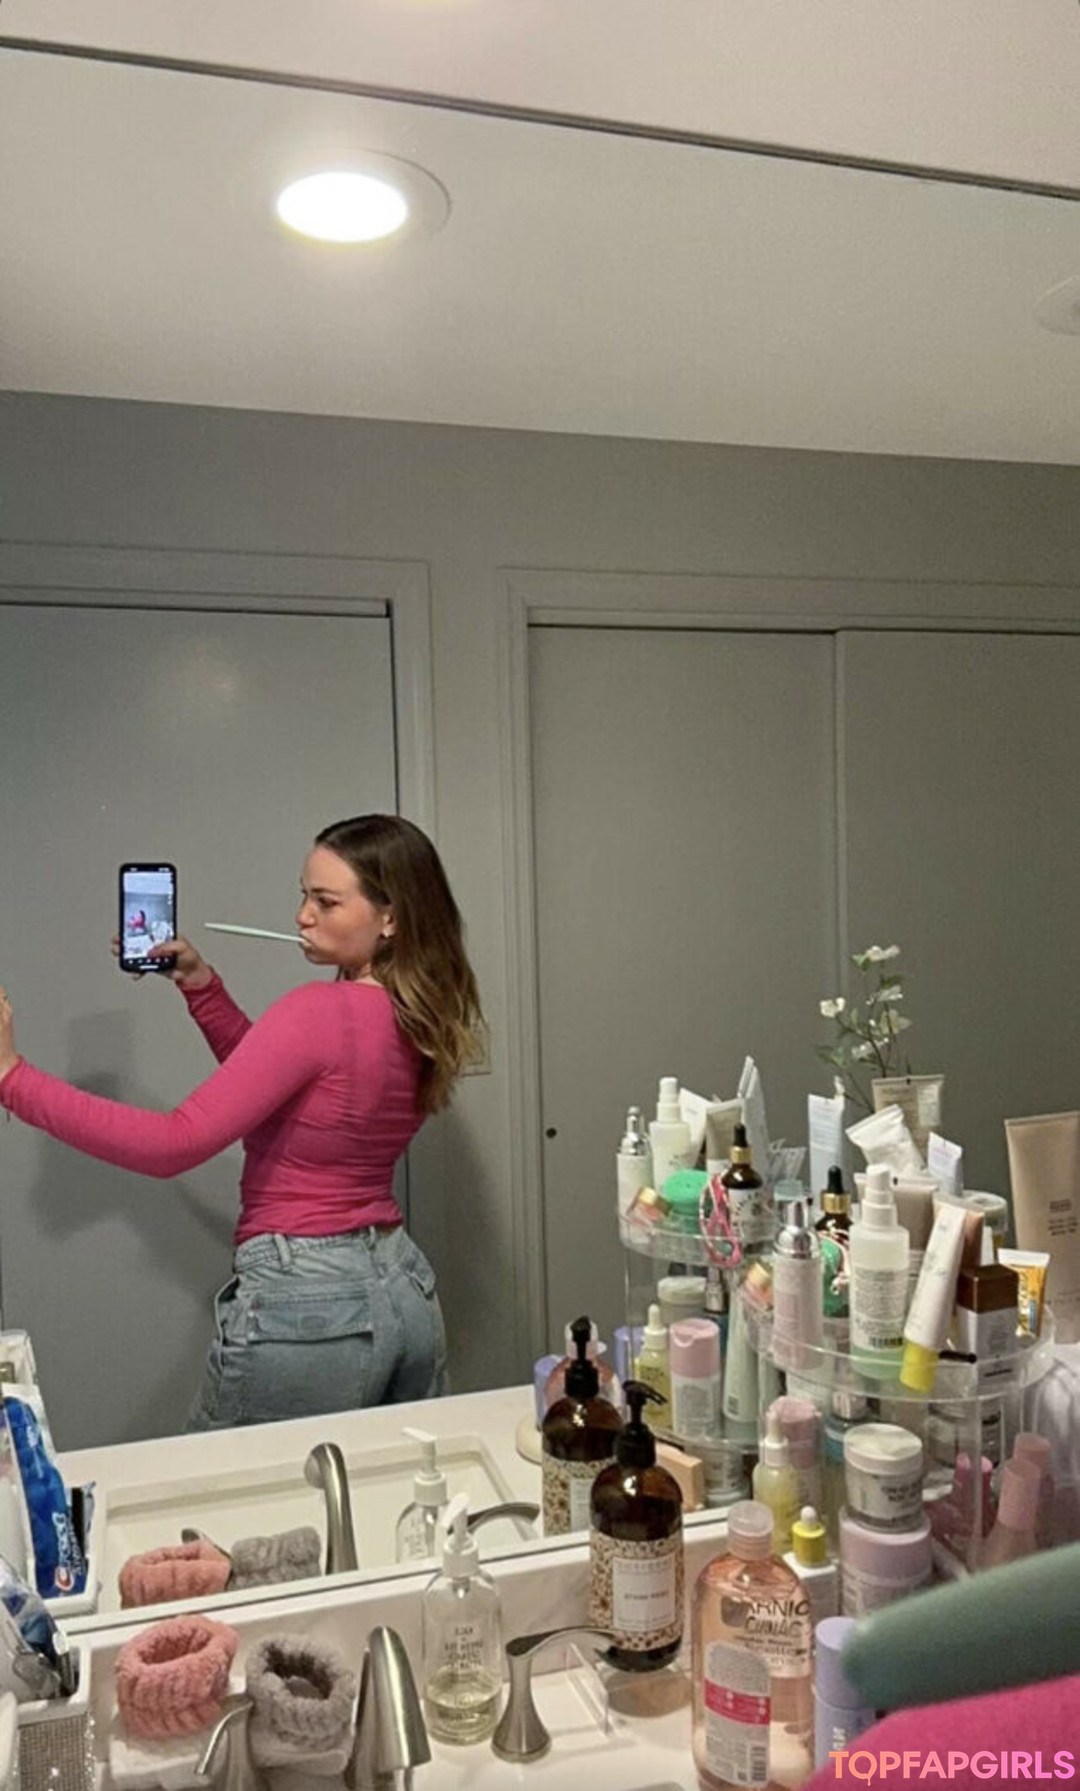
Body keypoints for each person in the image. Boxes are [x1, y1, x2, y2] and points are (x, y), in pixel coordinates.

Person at [0, 815, 484, 1431]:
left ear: (390, 918)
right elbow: (283, 1093)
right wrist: (200, 986)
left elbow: (173, 1144)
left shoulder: (319, 1010)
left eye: (326, 901)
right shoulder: (416, 1015)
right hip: (403, 1287)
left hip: (310, 1300)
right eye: (304, 895)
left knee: (221, 1491)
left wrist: (12, 1079)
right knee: (378, 1485)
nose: (302, 916)